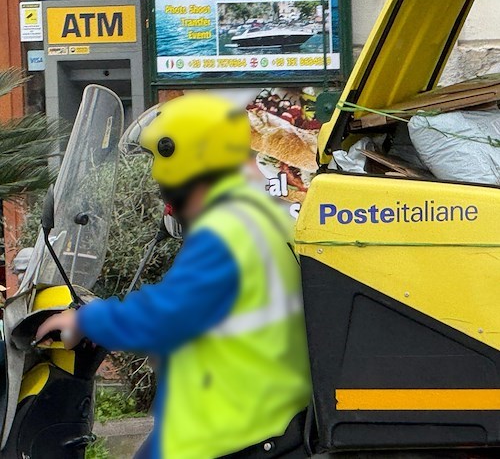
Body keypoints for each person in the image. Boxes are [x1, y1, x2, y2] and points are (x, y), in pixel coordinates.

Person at [36, 93, 312, 459]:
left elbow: (168, 315)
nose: (154, 177)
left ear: (181, 156)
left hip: (237, 422)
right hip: (264, 404)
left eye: (157, 159)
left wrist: (85, 320)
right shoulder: (264, 214)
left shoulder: (229, 229)